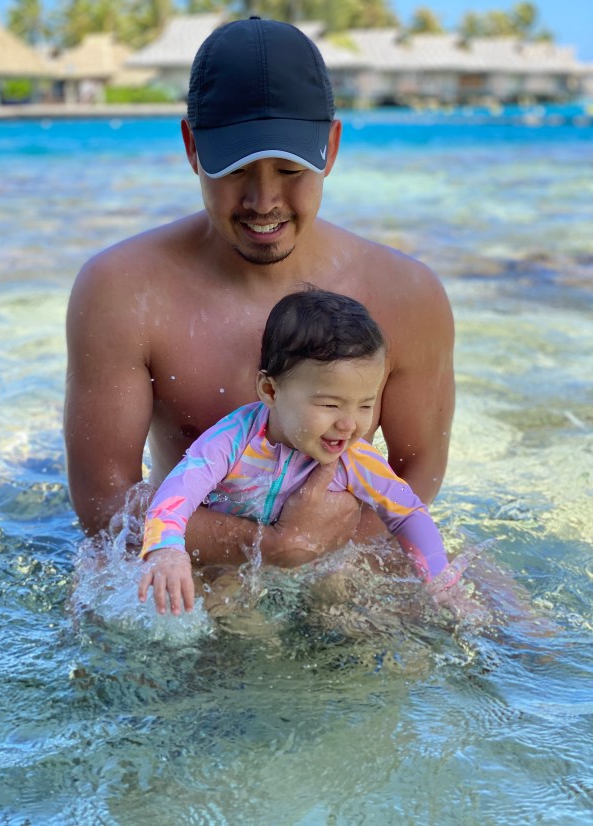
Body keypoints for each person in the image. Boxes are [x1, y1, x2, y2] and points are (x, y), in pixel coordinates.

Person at [64, 17, 455, 570]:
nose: (263, 200)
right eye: (236, 168)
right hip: (196, 556)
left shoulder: (408, 295)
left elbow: (416, 476)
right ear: (193, 147)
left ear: (332, 148)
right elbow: (105, 506)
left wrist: (320, 555)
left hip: (344, 549)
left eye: (290, 169)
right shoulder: (123, 290)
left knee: (513, 630)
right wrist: (273, 548)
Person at [138, 288, 465, 616]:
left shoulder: (355, 457)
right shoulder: (231, 441)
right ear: (270, 390)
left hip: (318, 566)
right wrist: (166, 548)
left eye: (366, 404)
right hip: (233, 564)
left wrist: (440, 580)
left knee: (346, 608)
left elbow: (407, 512)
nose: (349, 424)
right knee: (233, 608)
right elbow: (176, 494)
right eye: (330, 404)